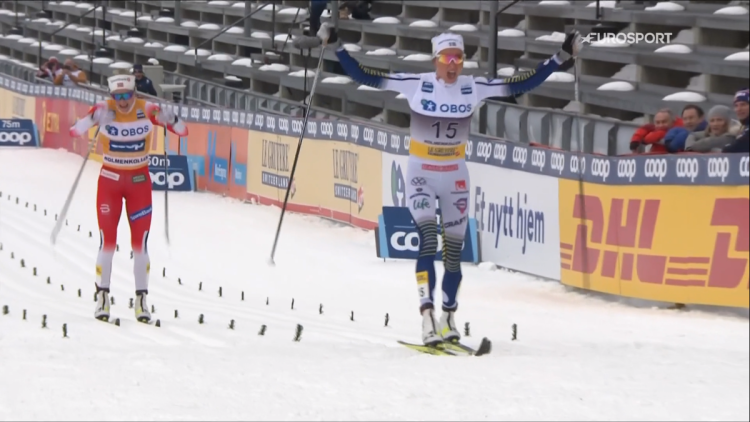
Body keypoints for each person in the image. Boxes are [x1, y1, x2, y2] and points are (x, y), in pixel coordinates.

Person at [298, 24, 581, 346]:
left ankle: (448, 316)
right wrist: (336, 45)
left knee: (454, 255)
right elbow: (363, 75)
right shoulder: (417, 84)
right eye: (447, 58)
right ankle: (427, 316)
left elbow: (523, 82)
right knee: (428, 240)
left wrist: (561, 56)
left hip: (455, 177)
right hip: (421, 174)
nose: (453, 64)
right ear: (436, 60)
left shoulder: (473, 87)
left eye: (458, 58)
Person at [69, 74, 188, 323]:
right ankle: (102, 297)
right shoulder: (104, 108)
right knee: (108, 242)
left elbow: (183, 131)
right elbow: (74, 131)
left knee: (140, 244)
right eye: (117, 96)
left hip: (139, 183)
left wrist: (171, 118)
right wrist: (93, 117)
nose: (122, 101)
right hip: (110, 182)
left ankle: (141, 300)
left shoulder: (147, 109)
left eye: (127, 96)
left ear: (135, 93)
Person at [722, 88, 749, 153]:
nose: (738, 109)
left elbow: (736, 147)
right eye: (736, 106)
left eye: (743, 104)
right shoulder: (744, 128)